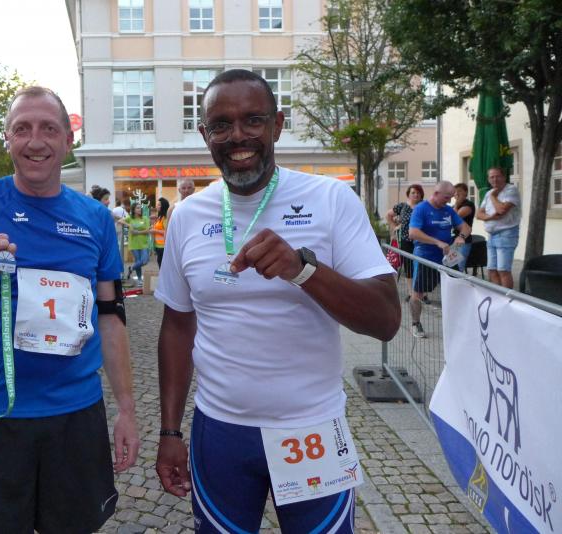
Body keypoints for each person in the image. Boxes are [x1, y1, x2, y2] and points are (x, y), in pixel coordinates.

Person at [154, 69, 400, 533]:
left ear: (278, 125)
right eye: (221, 125)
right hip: (220, 430)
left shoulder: (330, 199)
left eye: (253, 120)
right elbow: (178, 326)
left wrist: (303, 270)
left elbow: (386, 318)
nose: (238, 136)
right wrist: (169, 431)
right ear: (205, 135)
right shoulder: (187, 215)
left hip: (311, 427)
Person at [0, 86, 139, 533]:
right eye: (22, 129)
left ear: (68, 141)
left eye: (48, 129)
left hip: (76, 415)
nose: (35, 141)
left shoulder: (95, 218)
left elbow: (110, 318)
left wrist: (127, 410)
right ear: (7, 138)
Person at [408, 180, 471, 338]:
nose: (449, 201)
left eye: (451, 197)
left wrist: (461, 237)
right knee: (418, 292)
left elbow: (465, 227)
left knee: (456, 287)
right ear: (436, 194)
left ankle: (457, 323)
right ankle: (415, 323)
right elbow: (413, 233)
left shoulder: (448, 211)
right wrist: (436, 242)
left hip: (448, 256)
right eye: (446, 197)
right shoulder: (421, 209)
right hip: (425, 255)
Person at [476, 167, 520, 288]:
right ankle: (497, 296)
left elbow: (501, 210)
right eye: (492, 177)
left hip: (506, 234)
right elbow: (478, 214)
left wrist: (493, 196)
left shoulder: (511, 190)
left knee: (503, 270)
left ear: (504, 177)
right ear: (488, 179)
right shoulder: (488, 193)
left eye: (497, 176)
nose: (495, 179)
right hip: (491, 235)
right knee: (491, 270)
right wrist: (490, 217)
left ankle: (507, 298)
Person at [385, 184, 423, 293]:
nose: (416, 195)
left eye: (418, 193)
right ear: (408, 194)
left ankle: (421, 292)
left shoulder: (424, 206)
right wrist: (394, 227)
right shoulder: (402, 206)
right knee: (408, 266)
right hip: (406, 240)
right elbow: (388, 215)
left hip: (421, 241)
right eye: (413, 192)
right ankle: (411, 293)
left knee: (421, 267)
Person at [125, 202, 151, 283]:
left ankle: (131, 268)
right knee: (138, 261)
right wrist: (129, 225)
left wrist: (137, 232)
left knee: (145, 260)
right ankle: (139, 279)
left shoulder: (145, 218)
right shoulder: (130, 218)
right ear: (133, 209)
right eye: (137, 208)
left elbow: (148, 230)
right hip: (133, 244)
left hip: (144, 243)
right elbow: (120, 221)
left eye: (140, 208)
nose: (140, 209)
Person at [452, 182, 476, 272]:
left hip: (463, 240)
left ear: (465, 192)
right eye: (455, 191)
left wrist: (456, 204)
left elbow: (456, 217)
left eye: (459, 191)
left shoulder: (469, 204)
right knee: (452, 265)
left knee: (459, 268)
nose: (457, 193)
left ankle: (459, 281)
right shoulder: (454, 206)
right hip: (454, 240)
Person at [150, 197, 169, 267]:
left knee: (162, 264)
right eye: (157, 204)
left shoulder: (165, 218)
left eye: (159, 205)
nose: (156, 206)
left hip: (163, 246)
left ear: (163, 206)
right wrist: (152, 228)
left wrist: (155, 230)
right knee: (160, 262)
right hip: (158, 245)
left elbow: (167, 232)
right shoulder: (159, 217)